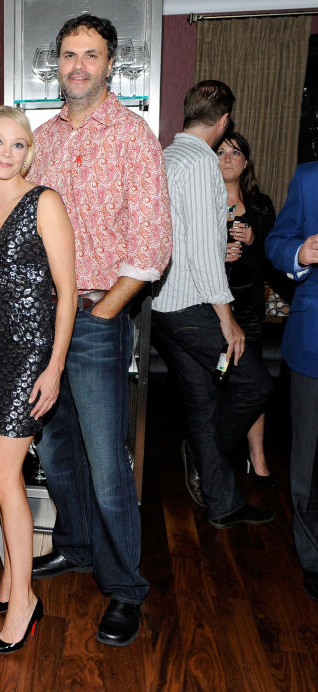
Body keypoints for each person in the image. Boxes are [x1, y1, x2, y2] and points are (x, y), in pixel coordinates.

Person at [26, 13, 173, 647]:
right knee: (56, 450)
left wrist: (102, 312)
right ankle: (76, 546)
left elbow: (153, 247)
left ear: (111, 63)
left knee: (108, 462)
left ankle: (124, 589)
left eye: (91, 54)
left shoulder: (133, 136)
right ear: (55, 64)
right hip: (42, 320)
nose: (79, 65)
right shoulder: (43, 140)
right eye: (68, 54)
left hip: (94, 317)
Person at [0, 106, 76, 653]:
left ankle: (24, 602)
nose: (7, 154)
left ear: (29, 152)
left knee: (3, 476)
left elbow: (67, 292)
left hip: (30, 348)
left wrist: (54, 365)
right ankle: (11, 580)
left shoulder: (44, 202)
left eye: (18, 145)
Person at [153, 80, 274, 531]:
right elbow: (205, 250)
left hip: (166, 311)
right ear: (224, 120)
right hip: (194, 312)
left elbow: (175, 238)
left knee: (204, 400)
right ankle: (201, 453)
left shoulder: (165, 157)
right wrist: (228, 322)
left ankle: (222, 502)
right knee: (253, 385)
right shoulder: (201, 164)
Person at [265, 161, 318, 601]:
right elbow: (277, 242)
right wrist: (300, 252)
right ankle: (313, 559)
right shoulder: (309, 178)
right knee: (309, 463)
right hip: (313, 344)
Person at [217, 130, 277, 485]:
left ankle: (258, 456)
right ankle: (215, 455)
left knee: (256, 383)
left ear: (246, 162)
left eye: (235, 153)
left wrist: (253, 242)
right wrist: (217, 255)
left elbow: (273, 263)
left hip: (249, 313)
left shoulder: (260, 206)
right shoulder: (203, 202)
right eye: (221, 151)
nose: (227, 158)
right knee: (220, 380)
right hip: (215, 314)